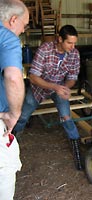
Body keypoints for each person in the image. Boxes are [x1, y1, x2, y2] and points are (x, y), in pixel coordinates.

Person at [13, 25, 83, 170]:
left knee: (66, 117)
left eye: (74, 43)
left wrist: (66, 88)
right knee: (23, 116)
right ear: (60, 39)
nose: (73, 46)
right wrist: (56, 87)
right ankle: (13, 142)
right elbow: (33, 77)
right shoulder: (45, 50)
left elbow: (72, 77)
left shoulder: (74, 54)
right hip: (39, 88)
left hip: (59, 88)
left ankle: (77, 149)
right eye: (69, 43)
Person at [0, 0, 29, 199]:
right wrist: (14, 113)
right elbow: (13, 77)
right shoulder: (7, 38)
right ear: (13, 20)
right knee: (4, 172)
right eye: (24, 25)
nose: (23, 30)